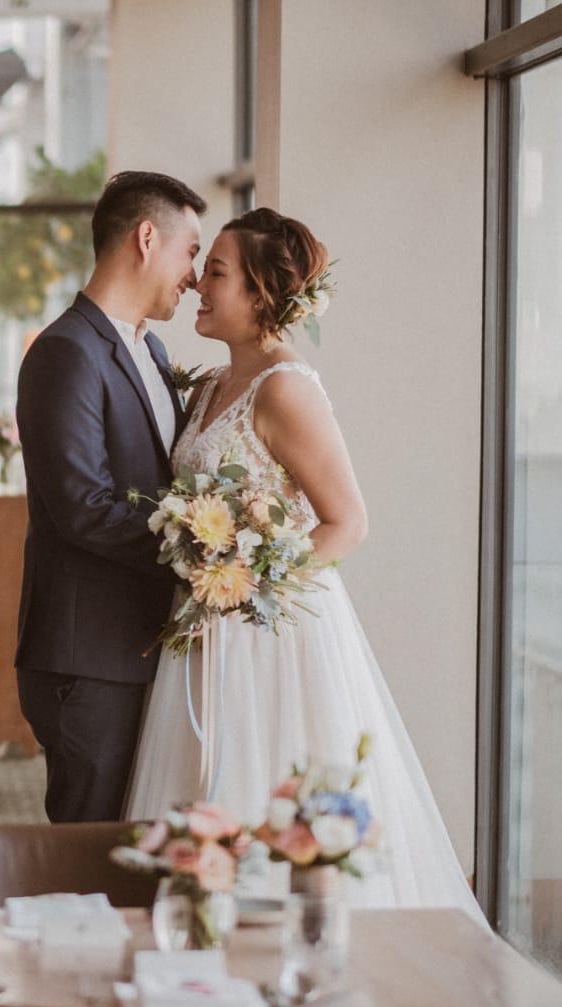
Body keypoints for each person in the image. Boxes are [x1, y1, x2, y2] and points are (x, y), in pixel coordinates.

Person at [125, 208, 478, 915]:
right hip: (202, 626)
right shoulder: (209, 387)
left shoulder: (286, 388)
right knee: (200, 797)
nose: (198, 283)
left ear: (260, 294)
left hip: (269, 638)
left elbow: (347, 522)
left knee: (270, 798)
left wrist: (243, 585)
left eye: (217, 273)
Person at [15, 171, 202, 822]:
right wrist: (201, 550)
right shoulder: (65, 352)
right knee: (85, 858)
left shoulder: (149, 347)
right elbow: (82, 508)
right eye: (191, 252)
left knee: (134, 849)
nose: (195, 274)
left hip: (142, 648)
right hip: (88, 659)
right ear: (147, 239)